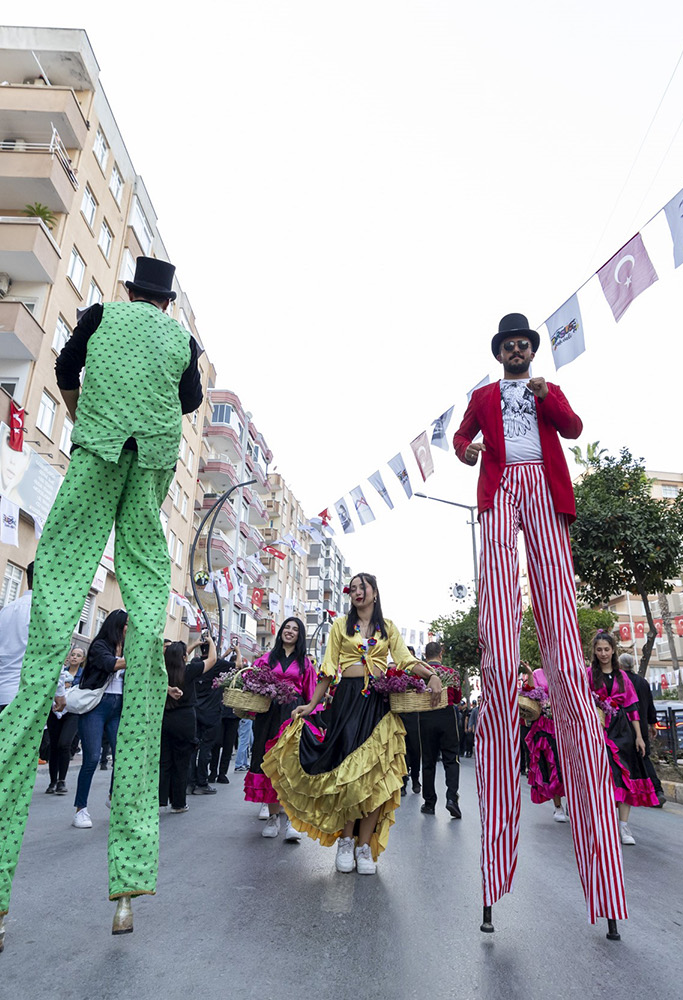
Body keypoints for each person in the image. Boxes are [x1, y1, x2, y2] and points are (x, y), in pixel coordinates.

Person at [0, 256, 205, 949]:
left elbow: (66, 365)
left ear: (131, 291)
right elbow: (188, 402)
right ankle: (126, 890)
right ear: (168, 301)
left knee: (58, 591)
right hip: (147, 464)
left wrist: (79, 406)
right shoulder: (182, 341)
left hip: (97, 450)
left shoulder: (100, 315)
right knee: (146, 581)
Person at [454, 313, 626, 938]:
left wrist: (551, 397)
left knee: (557, 608)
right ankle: (494, 873)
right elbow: (461, 439)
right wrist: (466, 449)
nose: (518, 350)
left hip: (547, 494)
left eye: (525, 343)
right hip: (500, 490)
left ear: (531, 350)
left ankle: (602, 876)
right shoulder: (482, 397)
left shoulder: (546, 391)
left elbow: (576, 431)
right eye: (510, 345)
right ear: (499, 352)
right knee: (499, 620)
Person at [264, 574, 442, 876]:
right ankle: (345, 842)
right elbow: (328, 669)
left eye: (363, 587)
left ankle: (363, 846)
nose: (357, 592)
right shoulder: (339, 627)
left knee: (376, 776)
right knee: (349, 774)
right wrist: (311, 705)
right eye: (353, 588)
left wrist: (431, 675)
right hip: (346, 703)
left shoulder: (388, 628)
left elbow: (405, 659)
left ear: (375, 593)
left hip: (378, 704)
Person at [245, 618, 316, 839]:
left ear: (299, 635)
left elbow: (312, 694)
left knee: (291, 765)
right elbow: (250, 683)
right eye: (287, 627)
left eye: (295, 629)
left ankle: (292, 822)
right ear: (281, 632)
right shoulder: (265, 659)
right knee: (270, 765)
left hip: (294, 715)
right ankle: (274, 818)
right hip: (269, 715)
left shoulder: (306, 663)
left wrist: (312, 719)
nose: (290, 631)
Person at [590, 633, 658, 847]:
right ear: (594, 651)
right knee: (605, 778)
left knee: (625, 778)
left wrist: (639, 736)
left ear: (613, 651)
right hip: (598, 731)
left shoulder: (623, 677)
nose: (603, 653)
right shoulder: (588, 675)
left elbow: (632, 708)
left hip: (623, 732)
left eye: (606, 649)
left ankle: (623, 825)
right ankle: (604, 824)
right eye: (599, 649)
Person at [71, 609, 128, 830]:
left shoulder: (127, 647)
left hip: (118, 707)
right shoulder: (99, 646)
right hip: (95, 707)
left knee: (122, 757)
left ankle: (113, 797)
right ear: (118, 625)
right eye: (127, 624)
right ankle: (80, 809)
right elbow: (111, 664)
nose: (129, 629)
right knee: (92, 758)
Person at [159, 639, 222, 813]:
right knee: (182, 763)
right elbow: (212, 660)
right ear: (185, 656)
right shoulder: (188, 670)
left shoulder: (161, 673)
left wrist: (191, 645)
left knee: (164, 761)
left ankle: (160, 799)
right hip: (185, 719)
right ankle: (178, 803)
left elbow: (177, 654)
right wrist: (209, 643)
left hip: (164, 718)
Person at [0, 563, 36, 730]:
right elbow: (48, 657)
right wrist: (59, 693)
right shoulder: (42, 612)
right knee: (21, 754)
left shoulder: (6, 610)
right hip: (26, 697)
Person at [417, 641, 462, 819]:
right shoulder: (452, 673)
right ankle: (452, 799)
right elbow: (457, 698)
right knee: (451, 759)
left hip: (426, 716)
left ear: (425, 655)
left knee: (428, 760)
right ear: (440, 654)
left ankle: (429, 803)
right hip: (447, 715)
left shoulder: (419, 673)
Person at [520, 664, 566, 823]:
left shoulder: (566, 672)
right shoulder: (538, 673)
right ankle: (558, 806)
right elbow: (532, 693)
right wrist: (530, 674)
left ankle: (575, 804)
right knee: (550, 764)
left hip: (566, 725)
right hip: (545, 725)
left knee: (569, 766)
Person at [619, 652, 664, 808]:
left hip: (623, 728)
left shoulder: (620, 680)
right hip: (642, 727)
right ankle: (657, 791)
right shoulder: (642, 682)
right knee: (644, 759)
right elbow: (650, 704)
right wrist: (652, 724)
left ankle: (630, 792)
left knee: (623, 761)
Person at [190, 642, 231, 795]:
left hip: (195, 711)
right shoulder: (218, 665)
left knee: (192, 748)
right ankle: (202, 782)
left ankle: (190, 782)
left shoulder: (195, 663)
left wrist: (195, 644)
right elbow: (238, 664)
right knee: (206, 749)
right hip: (212, 713)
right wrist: (236, 651)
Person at [44, 647, 85, 795]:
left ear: (82, 659)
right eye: (73, 654)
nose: (74, 657)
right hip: (55, 711)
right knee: (54, 745)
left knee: (64, 744)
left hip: (72, 712)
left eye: (78, 655)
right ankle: (52, 781)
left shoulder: (83, 676)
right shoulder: (60, 673)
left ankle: (62, 780)